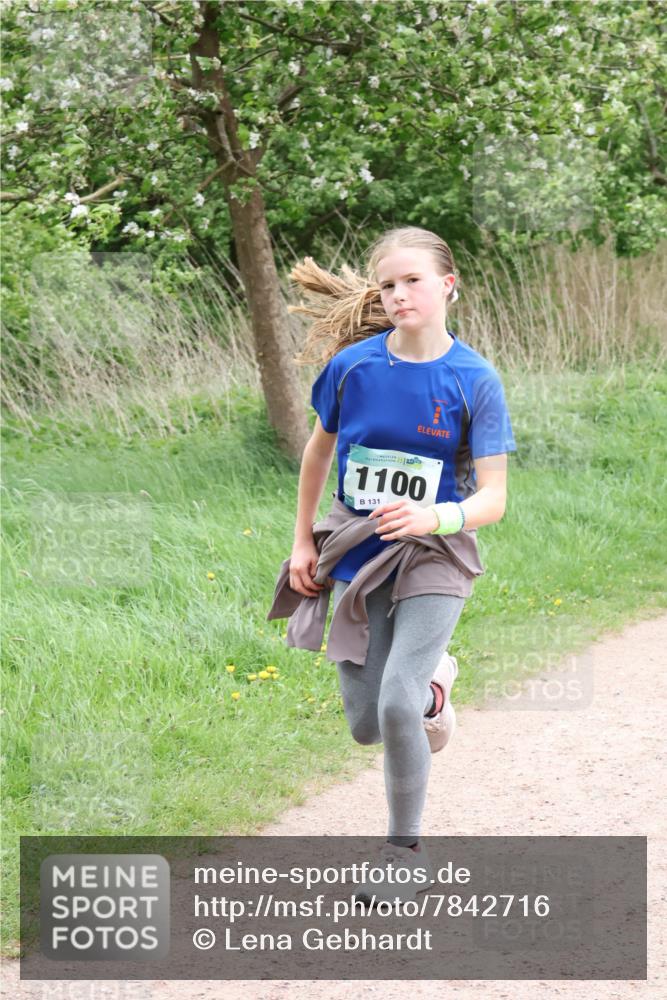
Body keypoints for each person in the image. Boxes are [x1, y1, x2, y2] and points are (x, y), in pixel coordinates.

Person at [277, 226, 516, 904]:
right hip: (358, 548)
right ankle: (435, 686)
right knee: (365, 724)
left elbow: (493, 498)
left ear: (448, 284)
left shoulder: (473, 379)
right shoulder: (353, 367)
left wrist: (432, 517)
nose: (399, 293)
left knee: (395, 703)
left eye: (413, 280)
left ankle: (403, 853)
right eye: (388, 284)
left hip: (435, 551)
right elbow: (317, 453)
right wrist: (303, 542)